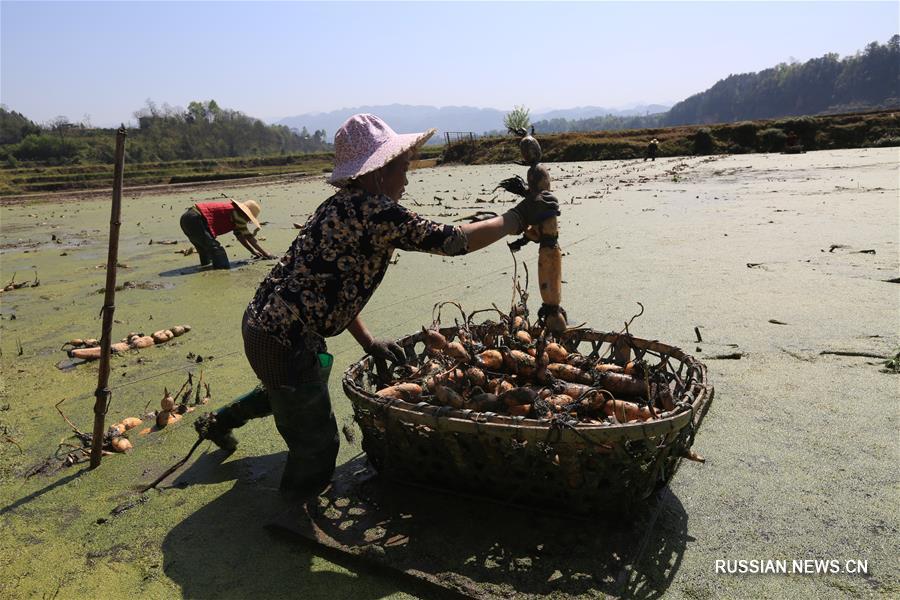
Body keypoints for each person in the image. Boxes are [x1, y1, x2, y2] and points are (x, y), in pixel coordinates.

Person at [195, 113, 559, 496]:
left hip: (268, 326)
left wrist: (369, 342)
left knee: (288, 388)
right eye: (402, 168)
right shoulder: (374, 211)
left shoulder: (338, 205)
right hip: (284, 338)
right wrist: (516, 218)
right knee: (318, 442)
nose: (406, 178)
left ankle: (220, 421)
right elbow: (451, 241)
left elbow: (333, 288)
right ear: (379, 171)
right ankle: (294, 508)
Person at [179, 198, 275, 269]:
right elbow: (249, 237)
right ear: (247, 214)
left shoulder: (234, 211)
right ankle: (220, 272)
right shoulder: (239, 215)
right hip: (195, 219)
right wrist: (266, 254)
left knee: (204, 250)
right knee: (216, 251)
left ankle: (206, 269)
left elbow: (241, 237)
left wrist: (253, 252)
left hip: (186, 218)